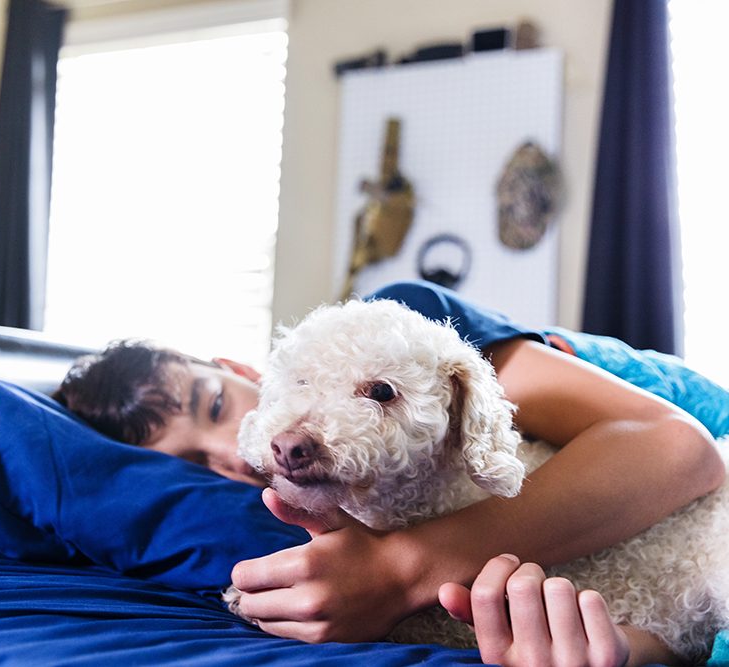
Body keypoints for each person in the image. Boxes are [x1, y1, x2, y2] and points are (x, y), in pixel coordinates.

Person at [54, 281, 728, 667]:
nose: (235, 448)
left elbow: (682, 449)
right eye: (193, 463)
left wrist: (401, 568)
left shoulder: (401, 329)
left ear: (242, 368)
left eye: (215, 405)